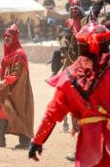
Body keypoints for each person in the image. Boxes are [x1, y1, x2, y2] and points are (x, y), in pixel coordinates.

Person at [29, 21, 110, 166]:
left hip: (89, 148)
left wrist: (37, 141)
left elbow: (51, 114)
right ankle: (54, 67)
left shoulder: (68, 78)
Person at [0, 21, 34, 149]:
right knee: (3, 111)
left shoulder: (20, 53)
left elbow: (16, 74)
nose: (6, 38)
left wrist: (5, 81)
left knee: (19, 112)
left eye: (9, 36)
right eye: (5, 36)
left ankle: (25, 141)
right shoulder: (8, 52)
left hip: (17, 90)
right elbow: (5, 69)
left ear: (14, 38)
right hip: (7, 88)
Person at [50, 0, 88, 76]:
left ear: (80, 10)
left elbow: (85, 32)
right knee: (57, 52)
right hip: (69, 44)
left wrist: (75, 35)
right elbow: (64, 33)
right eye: (72, 9)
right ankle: (54, 72)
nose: (73, 10)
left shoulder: (84, 20)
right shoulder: (68, 21)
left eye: (76, 8)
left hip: (80, 44)